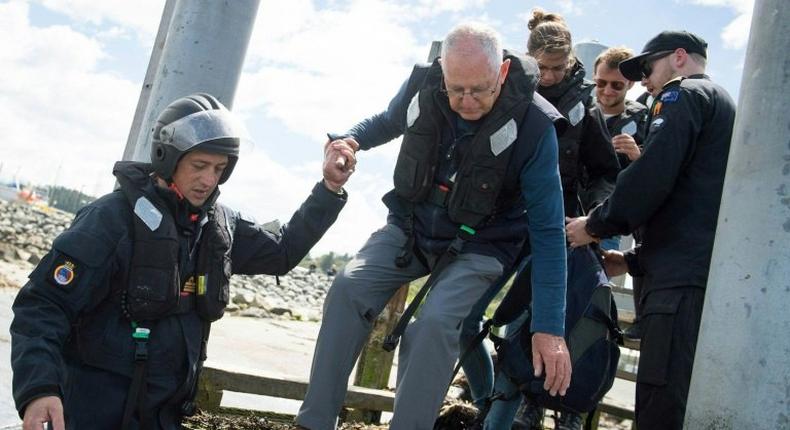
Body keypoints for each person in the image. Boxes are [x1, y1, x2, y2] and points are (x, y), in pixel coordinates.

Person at [10, 93, 357, 430]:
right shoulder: (111, 219)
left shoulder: (220, 225)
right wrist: (39, 388)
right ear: (167, 158)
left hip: (165, 416)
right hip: (93, 413)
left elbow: (281, 253)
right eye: (199, 165)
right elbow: (43, 305)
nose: (209, 179)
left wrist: (328, 189)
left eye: (219, 168)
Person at [296, 22, 571, 430]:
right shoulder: (424, 87)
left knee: (435, 323)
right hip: (411, 228)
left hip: (482, 245)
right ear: (443, 71)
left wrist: (549, 328)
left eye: (479, 89)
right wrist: (349, 140)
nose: (465, 101)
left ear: (502, 73)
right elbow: (387, 121)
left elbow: (549, 233)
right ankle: (313, 422)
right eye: (456, 88)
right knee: (348, 288)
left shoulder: (535, 126)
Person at [565, 30, 736, 430]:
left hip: (677, 285)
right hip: (686, 274)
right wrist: (633, 260)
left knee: (661, 403)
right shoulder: (719, 103)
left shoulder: (682, 95)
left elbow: (653, 176)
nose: (644, 80)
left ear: (678, 57)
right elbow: (689, 200)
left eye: (647, 67)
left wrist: (594, 224)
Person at [461, 9, 620, 430]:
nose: (548, 76)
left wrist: (592, 220)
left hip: (555, 234)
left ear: (569, 63)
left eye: (557, 68)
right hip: (501, 226)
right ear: (527, 58)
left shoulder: (587, 107)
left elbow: (607, 172)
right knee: (463, 320)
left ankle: (496, 422)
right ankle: (484, 400)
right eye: (542, 68)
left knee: (522, 336)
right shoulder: (507, 90)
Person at [591, 46, 649, 338]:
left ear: (631, 84)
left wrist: (638, 155)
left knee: (589, 294)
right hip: (570, 211)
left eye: (617, 85)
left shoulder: (643, 118)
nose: (607, 91)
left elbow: (656, 174)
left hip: (609, 218)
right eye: (601, 83)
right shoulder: (581, 113)